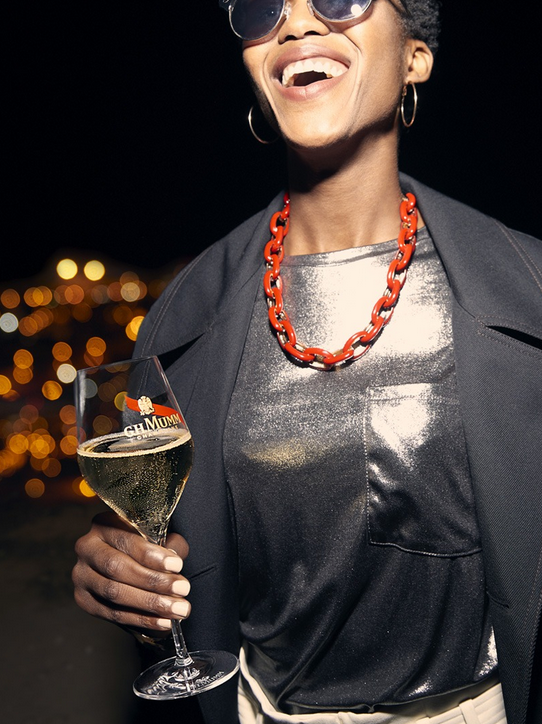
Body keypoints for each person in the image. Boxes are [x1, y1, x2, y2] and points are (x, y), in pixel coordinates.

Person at [72, 1, 542, 723]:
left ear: (415, 56)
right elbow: (160, 541)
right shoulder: (180, 320)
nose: (296, 25)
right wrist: (126, 576)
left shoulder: (529, 290)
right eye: (265, 8)